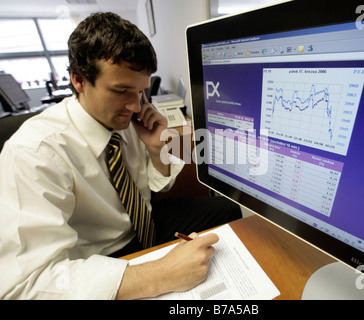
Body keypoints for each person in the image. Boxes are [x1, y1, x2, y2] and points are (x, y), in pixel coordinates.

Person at [0, 12, 241, 299]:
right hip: (98, 252)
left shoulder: (131, 119)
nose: (135, 106)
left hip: (144, 223)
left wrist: (155, 148)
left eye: (141, 91)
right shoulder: (34, 152)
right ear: (79, 80)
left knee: (226, 211)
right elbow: (23, 284)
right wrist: (160, 273)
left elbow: (159, 187)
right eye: (121, 90)